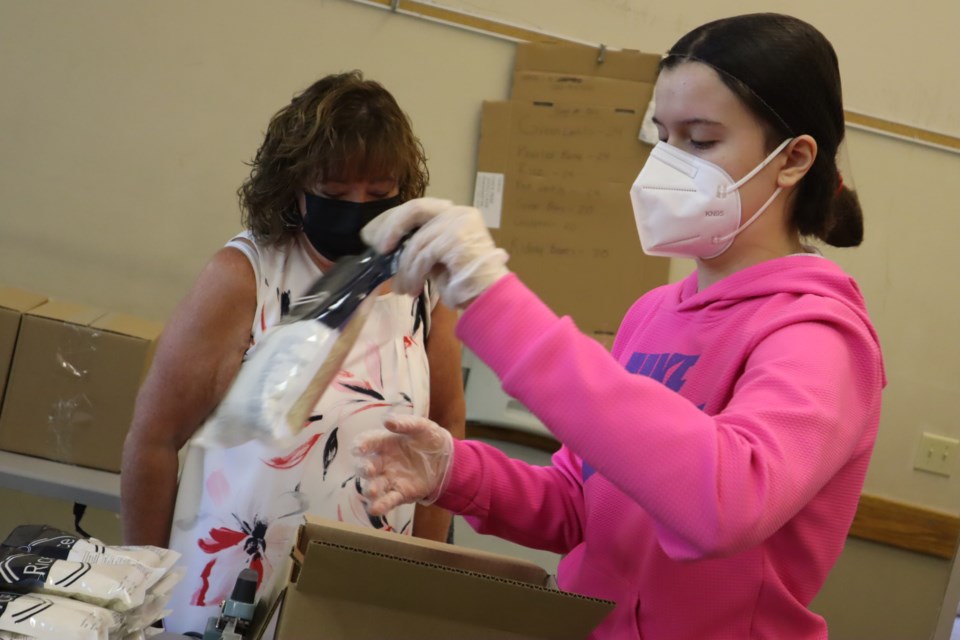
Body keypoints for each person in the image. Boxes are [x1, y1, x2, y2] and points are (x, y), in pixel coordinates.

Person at [352, 14, 885, 640]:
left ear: (792, 159)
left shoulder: (820, 335)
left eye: (701, 141)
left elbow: (725, 504)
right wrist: (457, 472)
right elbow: (581, 505)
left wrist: (495, 297)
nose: (666, 164)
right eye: (662, 136)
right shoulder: (651, 315)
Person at [120, 71, 466, 634]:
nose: (359, 208)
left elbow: (446, 429)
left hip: (363, 596)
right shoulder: (244, 278)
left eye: (379, 194)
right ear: (295, 188)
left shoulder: (423, 287)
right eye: (335, 194)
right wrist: (139, 595)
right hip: (227, 589)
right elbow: (154, 441)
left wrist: (422, 579)